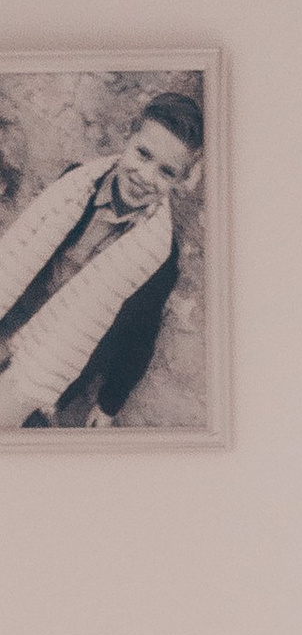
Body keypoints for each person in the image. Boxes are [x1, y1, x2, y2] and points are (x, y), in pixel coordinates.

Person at [0, 85, 201, 429]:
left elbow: (139, 336)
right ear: (129, 136)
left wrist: (110, 403)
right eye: (143, 154)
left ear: (180, 180)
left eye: (166, 172)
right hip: (10, 317)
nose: (145, 176)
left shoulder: (158, 258)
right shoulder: (76, 184)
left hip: (50, 359)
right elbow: (25, 248)